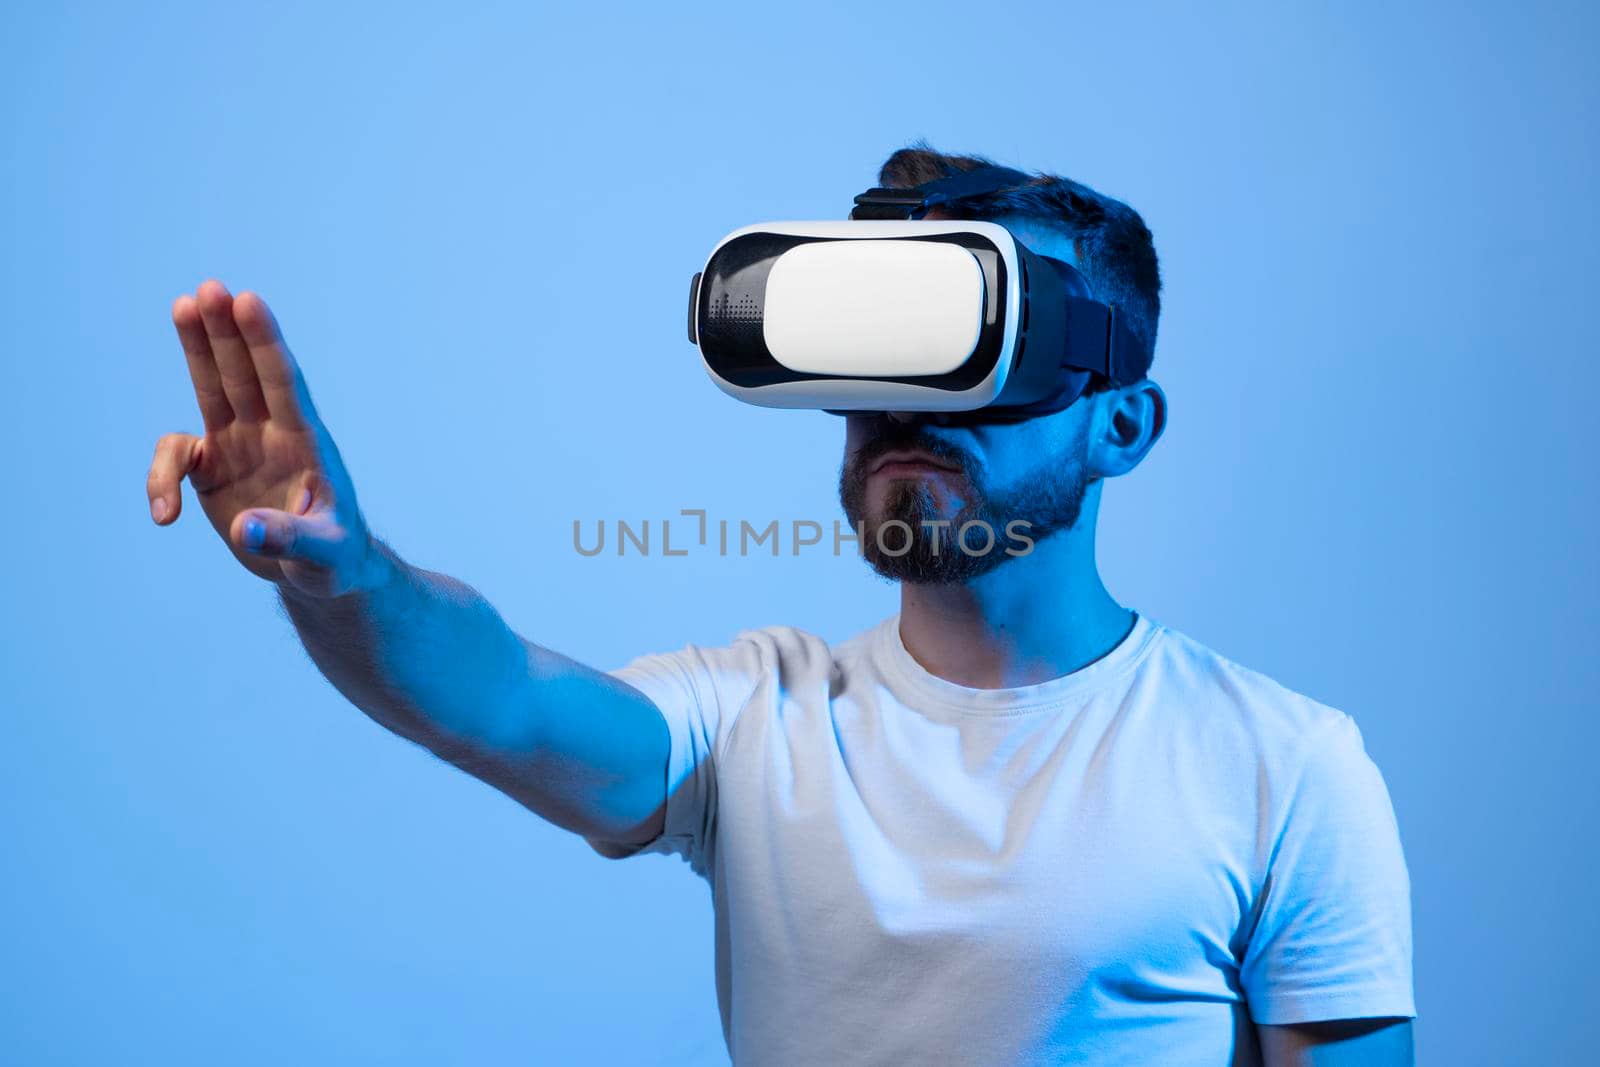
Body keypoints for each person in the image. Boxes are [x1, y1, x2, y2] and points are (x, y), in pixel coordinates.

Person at [145, 146, 1415, 1066]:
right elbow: (499, 703)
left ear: (1121, 424)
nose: (906, 405)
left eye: (972, 355)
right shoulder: (755, 717)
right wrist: (349, 575)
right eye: (876, 355)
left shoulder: (1282, 764)